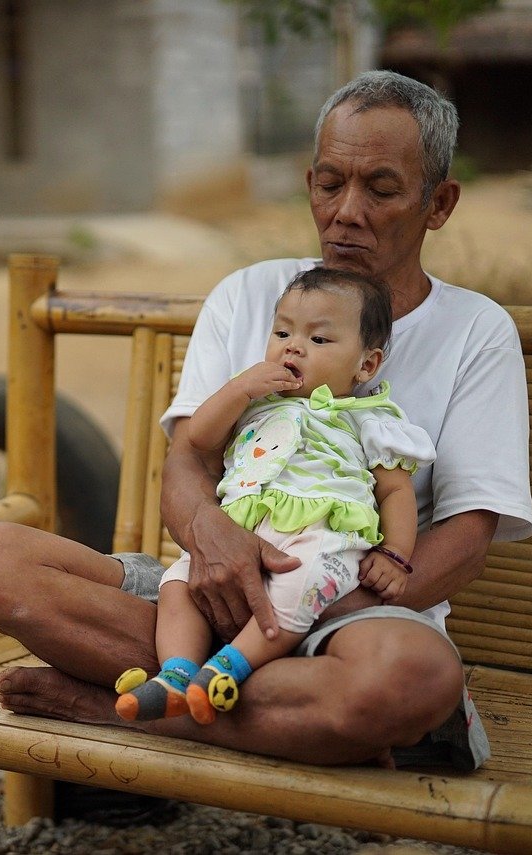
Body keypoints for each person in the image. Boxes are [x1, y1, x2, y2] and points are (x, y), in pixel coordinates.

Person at [0, 69, 532, 769]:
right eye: (328, 184)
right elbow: (189, 461)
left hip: (349, 611)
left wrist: (310, 610)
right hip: (204, 584)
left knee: (416, 678)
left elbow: (469, 534)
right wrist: (216, 546)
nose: (346, 211)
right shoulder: (251, 294)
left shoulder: (477, 329)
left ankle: (114, 707)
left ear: (438, 203)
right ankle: (269, 706)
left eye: (380, 189)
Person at [115, 266, 435, 727]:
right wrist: (238, 388)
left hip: (321, 534)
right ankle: (176, 674)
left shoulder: (369, 418)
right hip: (240, 528)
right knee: (178, 583)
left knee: (301, 586)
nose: (293, 346)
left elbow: (395, 491)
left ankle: (229, 667)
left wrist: (397, 554)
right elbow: (200, 439)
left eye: (320, 340)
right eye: (282, 332)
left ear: (365, 365)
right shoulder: (253, 403)